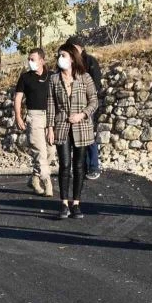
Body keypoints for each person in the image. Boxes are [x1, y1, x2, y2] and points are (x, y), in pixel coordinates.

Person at [46, 44, 98, 220]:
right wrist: (49, 128)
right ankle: (64, 203)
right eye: (59, 55)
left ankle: (76, 203)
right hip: (61, 126)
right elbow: (51, 105)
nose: (60, 58)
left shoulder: (85, 77)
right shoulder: (54, 79)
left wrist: (82, 114)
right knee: (65, 165)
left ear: (73, 58)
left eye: (64, 55)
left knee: (79, 165)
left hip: (81, 127)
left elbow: (94, 101)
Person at [14, 48, 55, 197]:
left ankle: (35, 178)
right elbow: (18, 98)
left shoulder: (52, 76)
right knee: (40, 152)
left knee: (51, 151)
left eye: (33, 59)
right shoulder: (25, 77)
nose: (30, 62)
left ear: (42, 61)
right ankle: (48, 183)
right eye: (29, 59)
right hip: (34, 117)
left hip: (50, 116)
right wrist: (18, 116)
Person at [65, 36, 103, 180]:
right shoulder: (68, 63)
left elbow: (96, 85)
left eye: (73, 48)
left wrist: (87, 105)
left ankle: (93, 167)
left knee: (88, 136)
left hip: (86, 106)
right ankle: (80, 167)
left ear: (81, 48)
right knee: (74, 138)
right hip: (71, 107)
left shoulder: (90, 61)